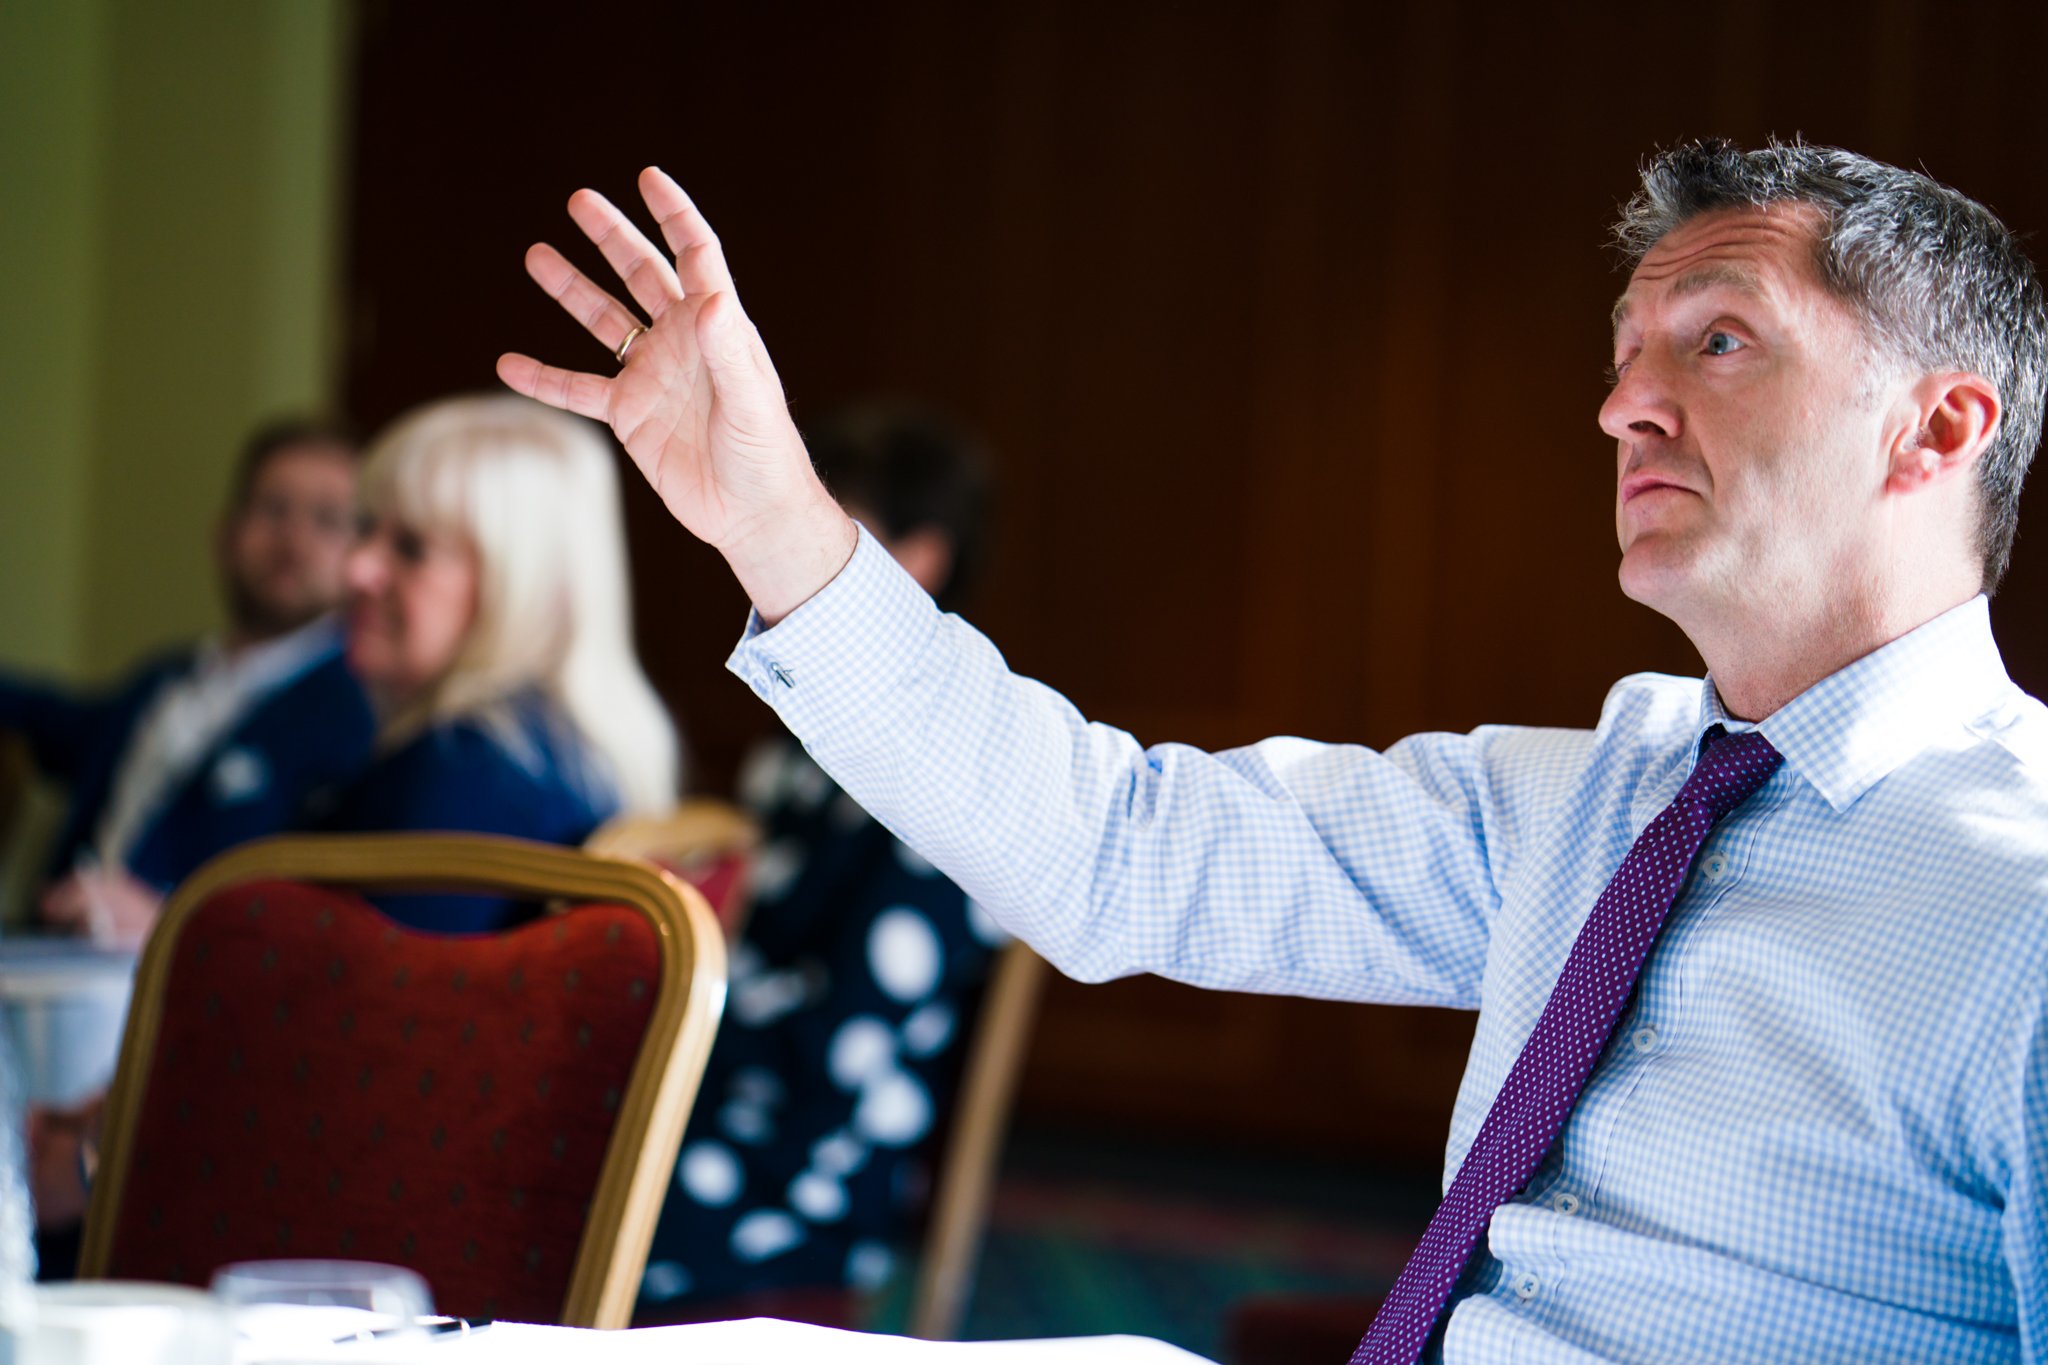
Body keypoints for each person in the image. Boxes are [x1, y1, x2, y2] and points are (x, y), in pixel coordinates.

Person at [499, 140, 2048, 1361]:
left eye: (1717, 342)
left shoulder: (2020, 907)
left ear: (1936, 428)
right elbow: (1110, 849)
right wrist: (770, 519)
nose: (1623, 406)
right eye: (1627, 351)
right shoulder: (1586, 804)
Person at [637, 406, 1004, 1315]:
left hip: (802, 1171)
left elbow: (840, 1052)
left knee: (568, 1197)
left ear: (920, 558)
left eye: (840, 524)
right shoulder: (803, 751)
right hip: (730, 1100)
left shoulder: (943, 776)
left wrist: (663, 1043)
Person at [0, 420, 375, 948]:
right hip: (53, 960)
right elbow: (51, 720)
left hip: (197, 990)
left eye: (327, 519)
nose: (294, 540)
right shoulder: (163, 678)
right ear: (225, 533)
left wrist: (167, 918)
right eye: (272, 509)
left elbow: (333, 917)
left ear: (363, 556)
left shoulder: (361, 707)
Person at [316, 392, 680, 932]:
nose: (358, 569)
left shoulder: (466, 775)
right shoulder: (565, 747)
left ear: (520, 583)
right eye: (365, 528)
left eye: (412, 547)